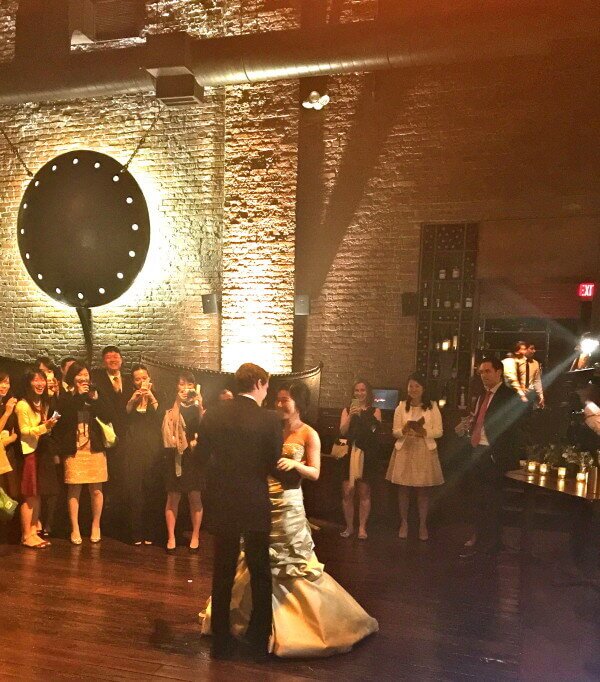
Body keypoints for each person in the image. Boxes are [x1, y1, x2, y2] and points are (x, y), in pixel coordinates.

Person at [200, 381, 379, 657]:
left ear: (299, 404)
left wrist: (296, 465)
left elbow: (316, 472)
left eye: (286, 400)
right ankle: (255, 624)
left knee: (288, 561)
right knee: (258, 564)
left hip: (289, 502)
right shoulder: (268, 425)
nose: (280, 404)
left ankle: (291, 626)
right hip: (260, 499)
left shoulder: (309, 434)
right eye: (278, 400)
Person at [195, 363, 283, 662]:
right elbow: (272, 462)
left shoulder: (214, 414)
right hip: (254, 498)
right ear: (258, 383)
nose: (267, 390)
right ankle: (258, 638)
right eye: (267, 384)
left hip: (223, 499)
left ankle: (220, 640)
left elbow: (200, 456)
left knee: (223, 569)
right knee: (260, 568)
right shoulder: (270, 419)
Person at [456, 357, 524, 559]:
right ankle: (481, 538)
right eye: (481, 372)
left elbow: (513, 425)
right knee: (478, 500)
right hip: (478, 451)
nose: (483, 376)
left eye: (487, 371)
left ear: (498, 372)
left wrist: (500, 454)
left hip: (493, 453)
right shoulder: (481, 396)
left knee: (492, 501)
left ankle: (490, 544)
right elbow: (480, 420)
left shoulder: (508, 395)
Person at [53, 362, 113, 544]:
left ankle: (96, 525)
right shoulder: (64, 397)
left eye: (86, 375)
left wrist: (96, 399)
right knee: (74, 489)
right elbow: (59, 420)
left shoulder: (95, 393)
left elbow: (109, 416)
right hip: (74, 447)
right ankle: (75, 528)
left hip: (94, 447)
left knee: (96, 490)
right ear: (72, 377)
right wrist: (77, 397)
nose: (83, 379)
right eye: (79, 375)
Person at [386, 374, 443, 541]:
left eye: (417, 386)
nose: (413, 389)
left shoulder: (432, 407)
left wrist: (424, 431)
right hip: (405, 449)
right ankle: (404, 523)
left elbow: (439, 431)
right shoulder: (401, 406)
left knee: (423, 490)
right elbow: (395, 432)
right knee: (403, 489)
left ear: (423, 388)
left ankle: (422, 525)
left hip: (424, 449)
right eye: (411, 386)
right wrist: (404, 429)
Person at [91, 345, 133, 535]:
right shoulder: (97, 380)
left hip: (127, 436)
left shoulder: (129, 381)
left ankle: (121, 520)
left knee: (124, 477)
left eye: (116, 356)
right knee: (106, 479)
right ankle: (104, 521)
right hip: (106, 435)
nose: (113, 359)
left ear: (122, 360)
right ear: (103, 361)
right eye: (109, 357)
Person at [15, 370, 58, 548]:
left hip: (41, 451)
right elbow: (24, 431)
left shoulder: (41, 402)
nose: (40, 384)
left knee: (37, 494)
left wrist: (49, 426)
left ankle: (34, 531)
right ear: (28, 383)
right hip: (29, 453)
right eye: (36, 380)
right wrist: (43, 427)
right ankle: (26, 535)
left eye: (42, 380)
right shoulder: (23, 405)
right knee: (30, 495)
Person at [161, 372, 204, 553]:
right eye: (182, 383)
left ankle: (195, 535)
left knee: (195, 497)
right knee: (173, 497)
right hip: (176, 455)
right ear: (176, 386)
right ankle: (171, 536)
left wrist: (200, 404)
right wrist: (178, 402)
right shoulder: (171, 404)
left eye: (189, 384)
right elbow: (170, 422)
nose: (186, 387)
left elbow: (204, 427)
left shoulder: (197, 404)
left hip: (193, 456)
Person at [339, 379, 382, 540]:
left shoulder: (375, 411)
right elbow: (343, 431)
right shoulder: (347, 410)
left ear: (368, 392)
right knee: (347, 491)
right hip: (349, 453)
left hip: (367, 454)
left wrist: (362, 417)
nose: (360, 393)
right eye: (357, 390)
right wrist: (351, 415)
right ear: (353, 393)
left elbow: (375, 432)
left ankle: (362, 528)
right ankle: (349, 527)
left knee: (364, 492)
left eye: (363, 390)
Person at [125, 364, 162, 545]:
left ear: (149, 379)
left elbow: (163, 418)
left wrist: (152, 397)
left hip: (153, 449)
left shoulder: (158, 395)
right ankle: (135, 532)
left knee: (152, 490)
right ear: (133, 381)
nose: (141, 382)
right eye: (137, 379)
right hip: (133, 449)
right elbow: (122, 417)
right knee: (135, 491)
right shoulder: (129, 395)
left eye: (144, 378)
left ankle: (151, 532)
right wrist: (132, 400)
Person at [0, 372, 20, 503]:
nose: (4, 386)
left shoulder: (8, 403)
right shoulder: (7, 408)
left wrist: (13, 438)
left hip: (9, 452)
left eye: (7, 382)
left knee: (10, 493)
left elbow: (16, 430)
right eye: (1, 382)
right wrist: (7, 413)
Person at [523, 343, 544, 408]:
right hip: (516, 395)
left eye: (534, 349)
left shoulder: (535, 363)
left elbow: (537, 380)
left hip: (530, 394)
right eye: (531, 349)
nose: (534, 351)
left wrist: (541, 395)